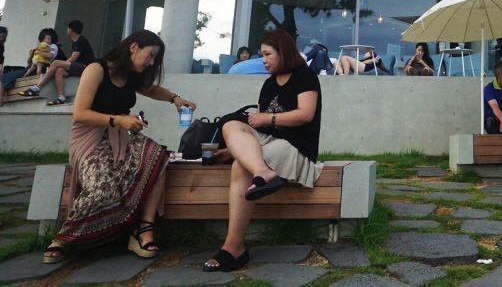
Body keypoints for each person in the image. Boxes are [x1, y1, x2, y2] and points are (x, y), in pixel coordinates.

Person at [42, 30, 196, 264]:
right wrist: (119, 120)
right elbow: (80, 113)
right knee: (102, 187)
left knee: (159, 157)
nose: (151, 62)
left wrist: (175, 99)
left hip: (120, 137)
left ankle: (143, 229)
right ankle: (65, 236)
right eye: (151, 55)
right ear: (134, 48)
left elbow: (151, 89)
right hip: (89, 138)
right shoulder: (96, 70)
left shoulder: (132, 74)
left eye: (155, 58)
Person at [203, 29, 323, 272]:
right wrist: (231, 150)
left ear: (283, 52)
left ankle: (234, 247)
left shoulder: (305, 76)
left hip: (295, 147)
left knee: (241, 167)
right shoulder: (269, 84)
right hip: (267, 142)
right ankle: (262, 171)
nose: (263, 60)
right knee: (230, 125)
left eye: (268, 54)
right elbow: (257, 126)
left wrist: (268, 118)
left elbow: (305, 114)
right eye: (262, 55)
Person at [23, 20, 95, 105]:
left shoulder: (80, 40)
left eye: (68, 28)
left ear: (70, 30)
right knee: (59, 70)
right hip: (78, 67)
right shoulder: (75, 42)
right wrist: (60, 65)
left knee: (56, 63)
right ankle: (61, 97)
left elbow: (73, 58)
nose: (67, 30)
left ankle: (37, 87)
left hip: (86, 67)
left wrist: (60, 64)